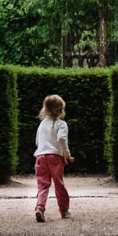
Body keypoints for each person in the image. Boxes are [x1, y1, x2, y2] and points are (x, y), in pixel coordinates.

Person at [34, 94, 74, 223]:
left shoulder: (42, 124)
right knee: (59, 184)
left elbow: (37, 141)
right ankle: (64, 211)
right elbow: (62, 139)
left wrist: (42, 150)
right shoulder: (61, 124)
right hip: (54, 157)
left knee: (42, 185)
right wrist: (66, 154)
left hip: (40, 157)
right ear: (61, 109)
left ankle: (40, 208)